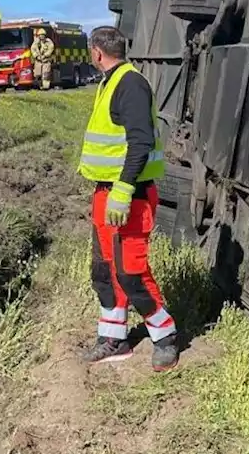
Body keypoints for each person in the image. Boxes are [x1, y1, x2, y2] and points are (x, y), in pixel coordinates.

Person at [78, 25, 179, 372]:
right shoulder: (111, 82)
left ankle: (165, 337)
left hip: (128, 196)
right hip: (107, 194)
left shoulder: (130, 84)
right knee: (104, 271)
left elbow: (141, 141)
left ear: (96, 52)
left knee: (131, 273)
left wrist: (122, 190)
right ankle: (114, 339)